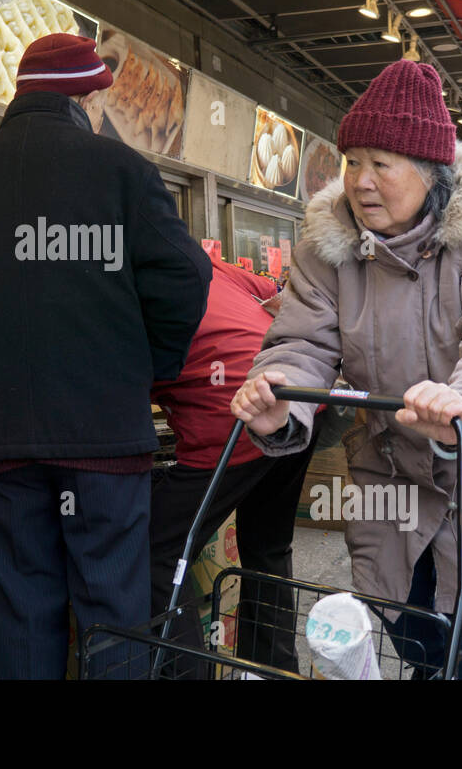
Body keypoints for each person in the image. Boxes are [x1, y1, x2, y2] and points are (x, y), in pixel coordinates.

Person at [230, 58, 462, 680]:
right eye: (352, 160)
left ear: (430, 170)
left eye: (381, 163)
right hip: (392, 477)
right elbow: (301, 339)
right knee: (408, 633)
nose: (360, 181)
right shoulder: (325, 246)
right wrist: (283, 398)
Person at [0, 33, 211, 679]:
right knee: (111, 620)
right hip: (102, 441)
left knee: (24, 615)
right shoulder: (123, 171)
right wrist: (146, 366)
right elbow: (187, 279)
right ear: (86, 97)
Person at [149, 258, 319, 674]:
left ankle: (190, 673)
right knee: (267, 548)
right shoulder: (202, 263)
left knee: (154, 552)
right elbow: (276, 297)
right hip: (294, 397)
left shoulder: (118, 284)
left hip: (234, 413)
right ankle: (272, 670)